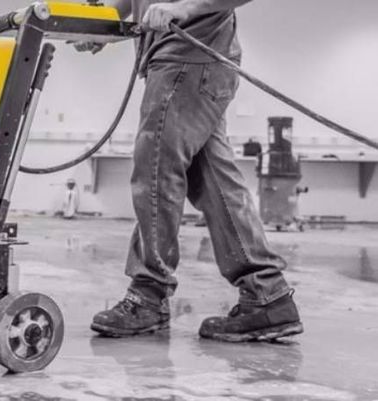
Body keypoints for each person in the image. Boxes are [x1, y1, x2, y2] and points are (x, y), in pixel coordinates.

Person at [77, 0, 303, 342]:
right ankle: (267, 295)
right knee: (214, 181)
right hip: (189, 60)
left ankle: (149, 293)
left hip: (187, 58)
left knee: (155, 170)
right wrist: (103, 24)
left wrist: (184, 7)